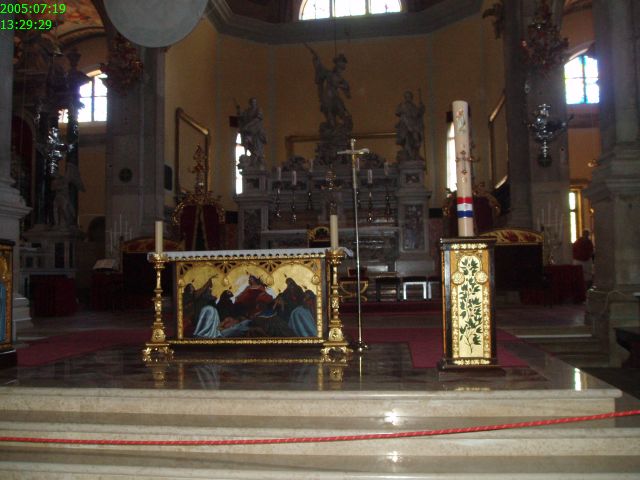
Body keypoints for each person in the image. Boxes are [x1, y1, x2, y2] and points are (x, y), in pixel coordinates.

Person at [310, 48, 351, 129]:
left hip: (335, 97)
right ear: (337, 64)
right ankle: (333, 127)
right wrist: (316, 58)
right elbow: (320, 68)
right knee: (330, 114)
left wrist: (343, 87)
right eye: (340, 63)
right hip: (327, 97)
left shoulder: (341, 79)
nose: (342, 66)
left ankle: (340, 127)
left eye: (343, 63)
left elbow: (347, 91)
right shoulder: (329, 74)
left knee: (342, 111)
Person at [395, 90, 425, 162]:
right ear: (405, 97)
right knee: (407, 141)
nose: (408, 98)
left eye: (410, 96)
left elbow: (417, 114)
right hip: (405, 126)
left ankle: (415, 155)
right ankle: (410, 155)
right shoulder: (402, 105)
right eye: (407, 96)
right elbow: (397, 112)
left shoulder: (413, 106)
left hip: (413, 125)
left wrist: (421, 108)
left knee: (416, 138)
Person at [236, 97, 267, 165]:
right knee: (246, 141)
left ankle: (257, 157)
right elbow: (242, 117)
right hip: (248, 131)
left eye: (254, 102)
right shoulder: (247, 111)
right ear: (250, 103)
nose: (253, 103)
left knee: (256, 146)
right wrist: (238, 110)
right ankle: (246, 154)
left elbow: (257, 119)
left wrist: (248, 125)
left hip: (256, 131)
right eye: (252, 102)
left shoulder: (258, 110)